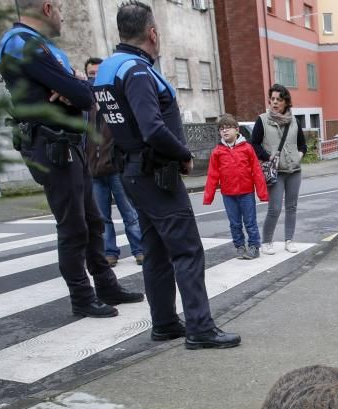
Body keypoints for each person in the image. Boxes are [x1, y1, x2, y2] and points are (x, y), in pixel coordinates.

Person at [92, 0, 240, 349]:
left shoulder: (107, 69)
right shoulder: (137, 71)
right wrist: (183, 153)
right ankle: (200, 328)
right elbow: (153, 128)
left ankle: (164, 323)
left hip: (132, 171)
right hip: (155, 173)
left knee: (156, 251)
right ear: (152, 32)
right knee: (188, 251)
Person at [0, 0, 143, 318]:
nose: (63, 16)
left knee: (92, 221)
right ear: (47, 8)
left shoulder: (36, 46)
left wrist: (74, 81)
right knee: (74, 226)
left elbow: (82, 93)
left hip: (65, 146)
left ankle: (105, 286)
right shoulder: (23, 45)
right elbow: (82, 96)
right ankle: (82, 297)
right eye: (60, 9)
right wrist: (74, 82)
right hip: (52, 147)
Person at [84, 56, 145, 267]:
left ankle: (140, 249)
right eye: (90, 75)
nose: (94, 79)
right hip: (94, 170)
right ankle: (110, 252)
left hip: (116, 168)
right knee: (102, 217)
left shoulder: (114, 102)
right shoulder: (85, 107)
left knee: (129, 212)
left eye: (97, 75)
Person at [202, 114, 268, 260]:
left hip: (246, 193)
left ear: (237, 130)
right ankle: (240, 246)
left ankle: (254, 246)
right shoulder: (217, 152)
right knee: (234, 223)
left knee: (250, 221)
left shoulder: (247, 148)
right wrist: (208, 197)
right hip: (228, 194)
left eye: (228, 128)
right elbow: (212, 175)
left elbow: (257, 171)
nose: (224, 131)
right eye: (221, 129)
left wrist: (262, 193)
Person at [250, 84, 306, 255]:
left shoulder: (294, 121)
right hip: (275, 172)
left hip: (294, 171)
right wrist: (267, 158)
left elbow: (303, 145)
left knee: (292, 207)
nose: (274, 102)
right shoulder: (263, 120)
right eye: (272, 99)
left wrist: (299, 156)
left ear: (286, 102)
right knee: (274, 208)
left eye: (279, 100)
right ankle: (266, 241)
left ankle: (289, 240)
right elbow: (254, 144)